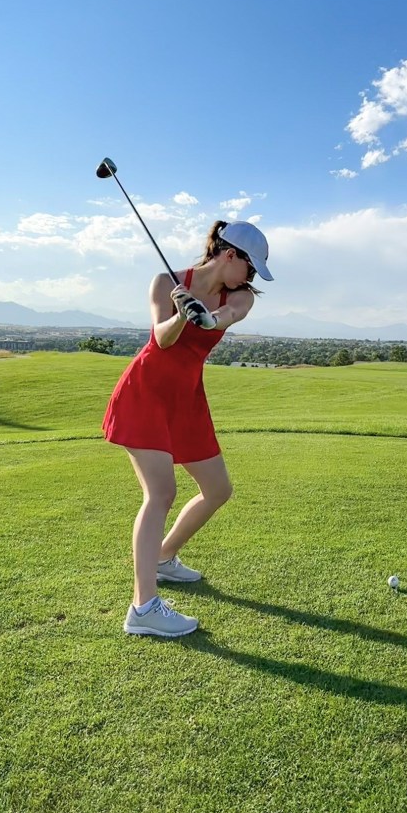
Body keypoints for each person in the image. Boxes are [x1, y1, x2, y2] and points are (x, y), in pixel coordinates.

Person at [102, 219, 273, 638]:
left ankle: (164, 557)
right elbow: (160, 339)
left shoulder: (242, 296)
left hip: (187, 400)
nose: (250, 279)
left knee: (219, 490)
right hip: (146, 393)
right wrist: (181, 315)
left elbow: (227, 315)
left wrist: (208, 318)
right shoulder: (166, 282)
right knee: (160, 493)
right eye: (250, 269)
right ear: (230, 255)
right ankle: (143, 608)